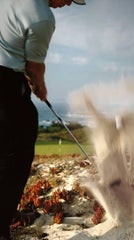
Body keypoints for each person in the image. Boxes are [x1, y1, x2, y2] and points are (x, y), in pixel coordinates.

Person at [0, 0, 84, 239]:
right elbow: (35, 67)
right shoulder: (43, 17)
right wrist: (40, 88)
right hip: (5, 83)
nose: (68, 4)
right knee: (15, 154)